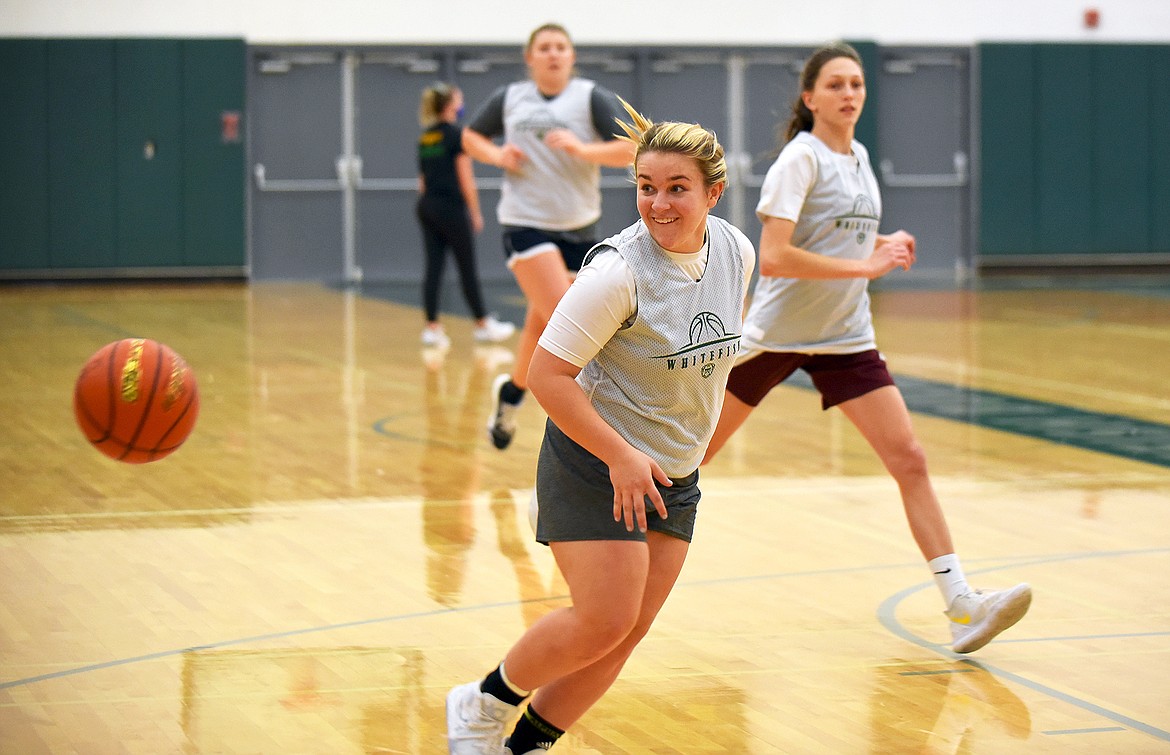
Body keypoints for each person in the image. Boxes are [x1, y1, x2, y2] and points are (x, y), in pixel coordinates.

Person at [446, 100, 755, 754]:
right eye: (646, 187)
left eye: (677, 188)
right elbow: (547, 375)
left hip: (671, 471)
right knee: (602, 617)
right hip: (595, 460)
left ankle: (521, 746)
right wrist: (618, 453)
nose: (659, 203)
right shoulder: (616, 271)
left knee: (628, 630)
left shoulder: (736, 252)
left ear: (714, 193)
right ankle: (480, 704)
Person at [701, 42, 1031, 655]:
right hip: (776, 336)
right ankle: (585, 511)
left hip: (846, 336)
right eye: (835, 85)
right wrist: (866, 266)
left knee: (909, 458)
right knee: (688, 458)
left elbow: (836, 234)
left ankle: (962, 606)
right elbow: (773, 256)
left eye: (856, 84)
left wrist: (881, 243)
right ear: (810, 98)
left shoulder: (857, 156)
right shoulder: (800, 160)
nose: (849, 93)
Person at [461, 23, 637, 450]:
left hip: (578, 229)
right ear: (531, 57)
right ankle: (587, 439)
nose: (554, 54)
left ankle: (512, 394)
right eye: (545, 47)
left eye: (561, 47)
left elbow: (635, 146)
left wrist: (584, 149)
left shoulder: (590, 98)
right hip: (526, 225)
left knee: (541, 326)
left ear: (572, 56)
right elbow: (470, 137)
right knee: (567, 318)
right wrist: (497, 154)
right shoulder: (510, 98)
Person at [416, 82, 516, 349]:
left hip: (427, 207)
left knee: (433, 267)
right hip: (451, 208)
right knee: (466, 267)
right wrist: (474, 212)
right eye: (459, 101)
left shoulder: (426, 137)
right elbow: (465, 178)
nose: (462, 105)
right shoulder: (456, 136)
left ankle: (431, 328)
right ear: (450, 106)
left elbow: (422, 182)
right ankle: (483, 324)